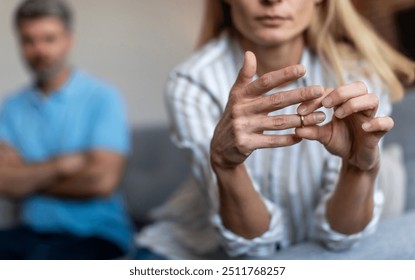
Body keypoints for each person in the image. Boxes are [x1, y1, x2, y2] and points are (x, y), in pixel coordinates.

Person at [136, 0, 415, 259]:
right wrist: (225, 165)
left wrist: (358, 169)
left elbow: (341, 239)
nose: (272, 0)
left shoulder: (358, 77)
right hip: (192, 254)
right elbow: (252, 247)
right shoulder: (193, 82)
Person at [0, 0, 133, 259]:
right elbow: (4, 182)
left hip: (97, 235)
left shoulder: (103, 97)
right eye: (29, 40)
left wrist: (25, 178)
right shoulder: (11, 107)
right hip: (30, 232)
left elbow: (101, 181)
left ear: (68, 40)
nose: (39, 50)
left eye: (49, 39)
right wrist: (61, 166)